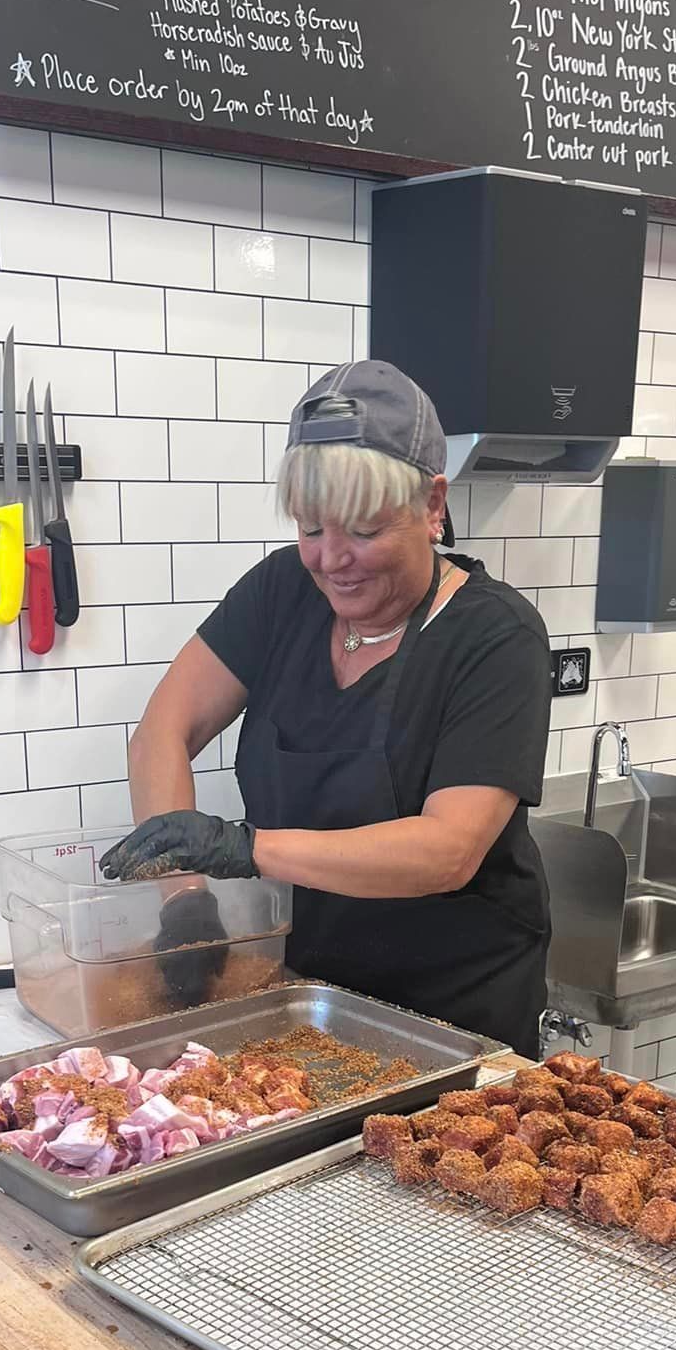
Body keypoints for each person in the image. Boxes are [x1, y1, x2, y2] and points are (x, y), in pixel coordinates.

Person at [101, 360, 553, 1054]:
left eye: (364, 532)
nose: (331, 559)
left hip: (458, 1021)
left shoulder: (496, 637)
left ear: (433, 505)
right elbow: (163, 730)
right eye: (311, 528)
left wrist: (243, 849)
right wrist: (184, 898)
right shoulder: (283, 592)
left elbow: (447, 851)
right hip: (309, 1002)